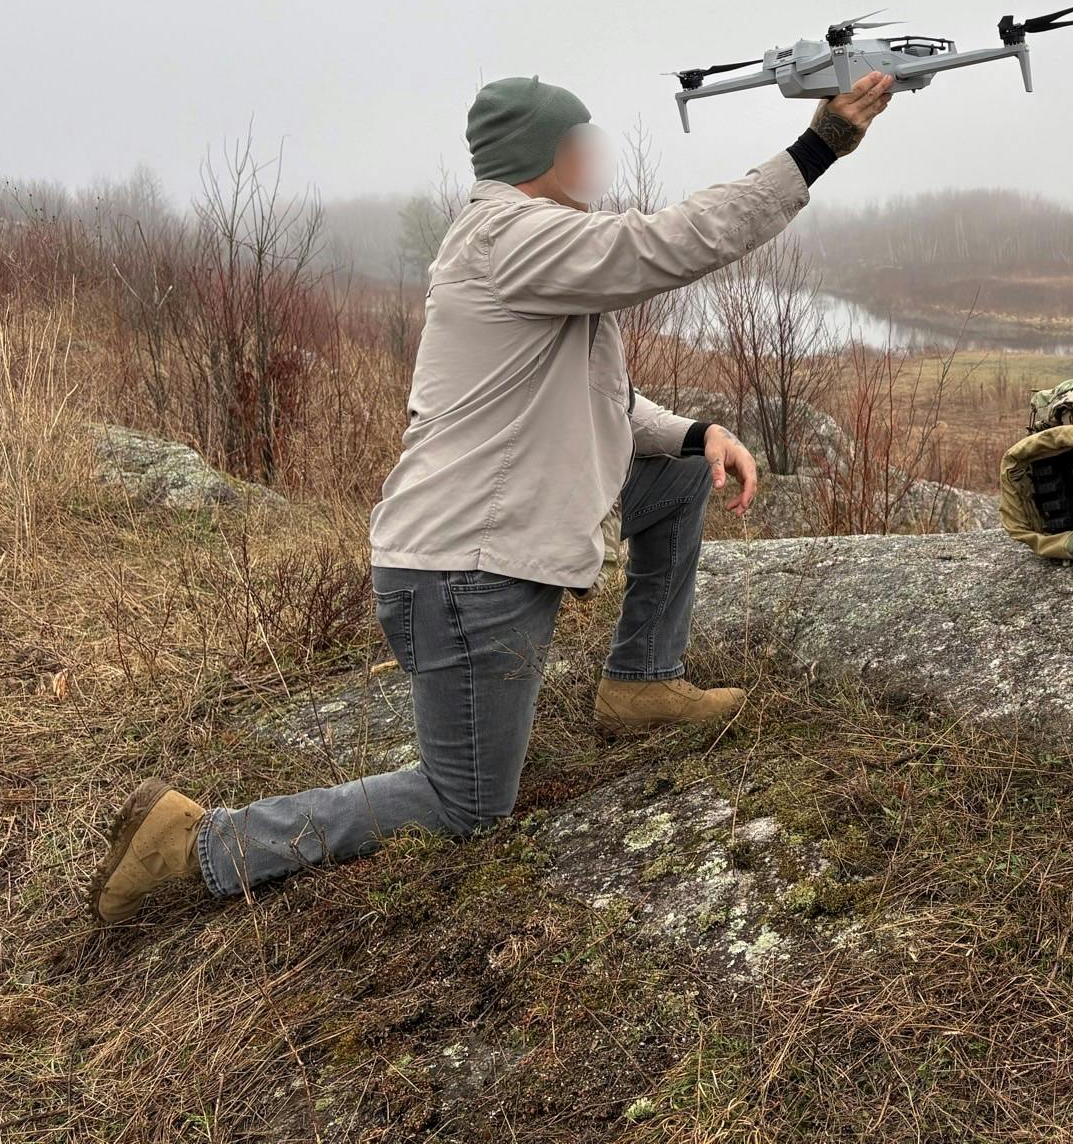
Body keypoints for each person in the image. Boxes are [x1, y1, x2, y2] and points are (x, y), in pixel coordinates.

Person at [88, 71, 895, 923]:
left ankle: (642, 684)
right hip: (461, 574)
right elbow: (668, 245)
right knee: (466, 802)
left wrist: (698, 436)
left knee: (678, 473)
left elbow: (603, 400)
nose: (596, 156)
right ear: (542, 154)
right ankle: (198, 842)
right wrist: (818, 147)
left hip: (468, 556)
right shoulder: (511, 235)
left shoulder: (530, 242)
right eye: (580, 141)